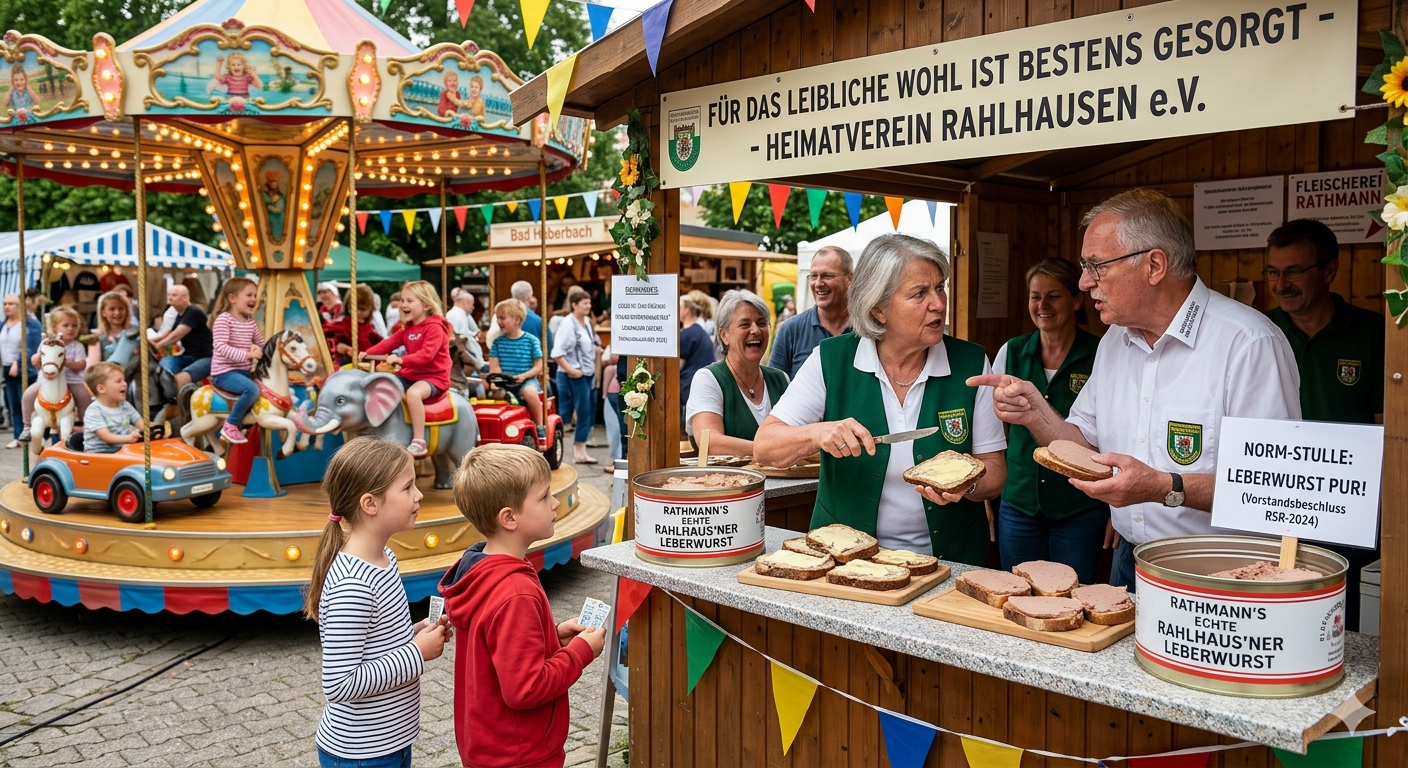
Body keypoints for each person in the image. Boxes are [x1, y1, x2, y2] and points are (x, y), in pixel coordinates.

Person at [971, 189, 1301, 589]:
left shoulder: (1248, 343)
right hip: (1130, 560)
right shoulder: (1115, 340)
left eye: (1096, 266)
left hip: (1220, 572)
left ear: (1155, 265)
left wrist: (1162, 487)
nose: (1084, 281)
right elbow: (1085, 448)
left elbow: (1271, 486)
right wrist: (1034, 412)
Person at [754, 234, 1007, 564]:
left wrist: (968, 486)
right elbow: (765, 446)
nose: (939, 303)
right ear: (878, 308)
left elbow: (996, 471)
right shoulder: (832, 360)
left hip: (951, 563)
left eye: (939, 287)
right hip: (846, 563)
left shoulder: (971, 363)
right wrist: (818, 433)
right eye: (919, 293)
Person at [438, 444, 607, 768]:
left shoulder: (481, 571)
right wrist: (581, 651)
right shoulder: (515, 592)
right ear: (509, 517)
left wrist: (553, 637)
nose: (555, 502)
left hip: (490, 746)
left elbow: (499, 651)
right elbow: (525, 688)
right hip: (520, 755)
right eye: (544, 497)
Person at [1265, 218, 1385, 630]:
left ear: (1329, 271)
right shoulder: (1257, 333)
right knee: (1277, 622)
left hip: (1346, 513)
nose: (1282, 283)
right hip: (1271, 510)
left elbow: (1389, 432)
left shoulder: (1372, 333)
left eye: (1294, 270)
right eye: (1273, 272)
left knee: (1344, 630)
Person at [304, 437, 451, 768]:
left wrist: (415, 633)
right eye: (408, 488)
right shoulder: (352, 585)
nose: (419, 495)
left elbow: (375, 641)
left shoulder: (385, 557)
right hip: (362, 754)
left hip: (390, 742)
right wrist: (417, 653)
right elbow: (340, 684)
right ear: (370, 504)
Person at [991, 259, 1107, 584]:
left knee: (1073, 595)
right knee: (1016, 591)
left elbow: (1116, 433)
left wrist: (1118, 509)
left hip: (1080, 505)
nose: (1042, 305)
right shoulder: (1011, 352)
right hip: (1018, 503)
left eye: (1053, 296)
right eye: (1035, 296)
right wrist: (991, 490)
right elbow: (993, 431)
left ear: (1077, 300)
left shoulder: (1101, 354)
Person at [686, 290, 788, 457]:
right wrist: (771, 450)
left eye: (762, 323)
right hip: (729, 482)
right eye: (745, 324)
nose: (755, 330)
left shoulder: (781, 379)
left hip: (786, 482)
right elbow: (710, 443)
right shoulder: (708, 379)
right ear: (724, 335)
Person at [362, 281, 452, 459]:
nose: (403, 305)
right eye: (403, 300)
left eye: (410, 301)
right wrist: (368, 353)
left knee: (413, 394)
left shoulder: (434, 328)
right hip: (411, 375)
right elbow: (389, 343)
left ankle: (419, 440)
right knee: (383, 385)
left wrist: (401, 360)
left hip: (434, 377)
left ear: (426, 304)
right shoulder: (408, 329)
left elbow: (426, 355)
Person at [770, 246, 854, 379]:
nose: (818, 283)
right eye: (814, 276)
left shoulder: (869, 329)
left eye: (827, 276)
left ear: (849, 279)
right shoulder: (791, 330)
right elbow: (775, 388)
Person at [21, 306, 91, 443]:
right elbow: (38, 358)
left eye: (74, 325)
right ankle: (27, 426)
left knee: (84, 397)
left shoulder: (77, 346)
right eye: (66, 325)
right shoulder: (46, 343)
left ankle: (86, 425)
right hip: (47, 381)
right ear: (54, 327)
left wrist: (65, 362)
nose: (71, 328)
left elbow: (81, 364)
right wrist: (35, 359)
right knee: (28, 394)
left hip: (72, 381)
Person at [209, 278, 266, 445]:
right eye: (249, 294)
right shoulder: (224, 320)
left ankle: (244, 422)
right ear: (232, 298)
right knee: (252, 390)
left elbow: (262, 343)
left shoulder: (250, 322)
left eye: (255, 295)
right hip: (224, 372)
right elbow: (220, 346)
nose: (254, 299)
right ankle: (231, 424)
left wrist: (269, 351)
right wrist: (247, 354)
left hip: (244, 371)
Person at [551, 286, 600, 465]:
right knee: (571, 412)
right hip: (574, 375)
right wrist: (571, 370)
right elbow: (557, 353)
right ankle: (566, 449)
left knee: (585, 411)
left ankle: (579, 449)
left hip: (586, 374)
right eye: (585, 303)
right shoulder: (568, 324)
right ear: (574, 305)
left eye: (589, 303)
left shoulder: (586, 321)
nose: (588, 306)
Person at [488, 298, 546, 435]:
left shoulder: (531, 341)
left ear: (517, 320)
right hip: (504, 381)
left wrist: (524, 376)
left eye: (502, 318)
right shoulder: (497, 343)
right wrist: (499, 380)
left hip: (526, 380)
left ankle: (539, 425)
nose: (498, 322)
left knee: (530, 392)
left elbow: (539, 366)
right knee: (487, 394)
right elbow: (494, 367)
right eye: (497, 318)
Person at [150, 284, 213, 390]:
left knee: (183, 377)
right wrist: (152, 340)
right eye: (169, 295)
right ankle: (169, 399)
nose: (170, 298)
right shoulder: (180, 314)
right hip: (188, 355)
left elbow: (177, 335)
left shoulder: (193, 312)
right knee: (164, 367)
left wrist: (158, 345)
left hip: (205, 356)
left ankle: (181, 403)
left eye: (174, 295)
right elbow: (169, 332)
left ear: (185, 298)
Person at [1, 293, 41, 448]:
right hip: (6, 367)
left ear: (20, 306)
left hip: (25, 370)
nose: (7, 307)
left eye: (11, 304)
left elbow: (32, 348)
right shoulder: (3, 324)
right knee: (13, 404)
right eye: (5, 304)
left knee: (26, 402)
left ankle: (33, 433)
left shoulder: (30, 324)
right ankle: (18, 436)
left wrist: (18, 362)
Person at [82, 362, 145, 454]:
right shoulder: (94, 411)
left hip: (122, 450)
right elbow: (106, 437)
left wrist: (151, 431)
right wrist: (128, 438)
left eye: (124, 380)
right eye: (118, 381)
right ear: (101, 389)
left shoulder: (125, 405)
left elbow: (140, 423)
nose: (125, 384)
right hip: (100, 453)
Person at [678, 292, 717, 422]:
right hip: (700, 387)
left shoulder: (687, 334)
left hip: (687, 391)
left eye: (679, 307)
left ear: (686, 311)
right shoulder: (700, 331)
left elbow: (677, 366)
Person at [324, 284, 384, 366]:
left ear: (370, 309)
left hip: (367, 363)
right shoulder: (344, 325)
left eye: (363, 309)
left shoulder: (370, 328)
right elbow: (334, 341)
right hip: (348, 363)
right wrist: (342, 347)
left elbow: (380, 343)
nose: (359, 312)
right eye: (356, 309)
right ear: (350, 308)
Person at [91, 291, 137, 364]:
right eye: (112, 309)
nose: (117, 313)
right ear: (103, 312)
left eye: (121, 308)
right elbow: (93, 365)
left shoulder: (136, 332)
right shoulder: (97, 337)